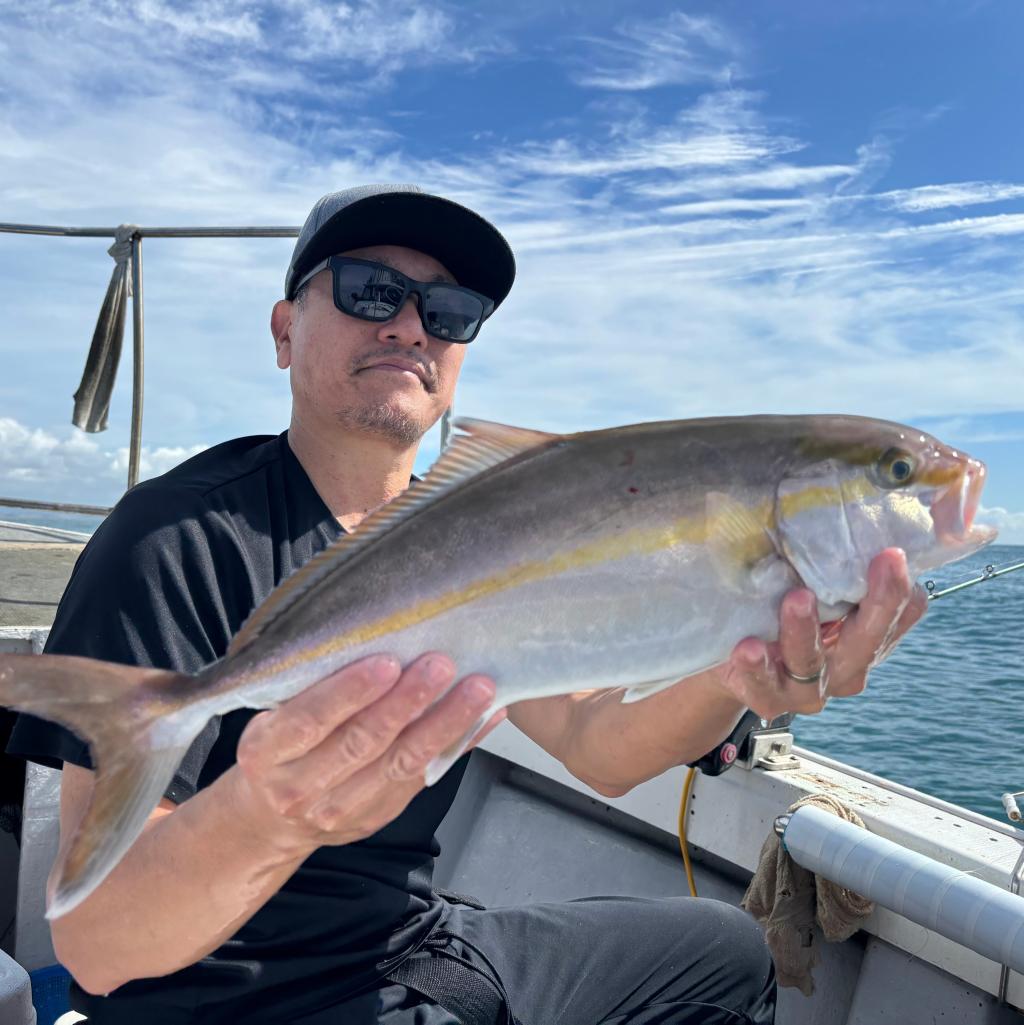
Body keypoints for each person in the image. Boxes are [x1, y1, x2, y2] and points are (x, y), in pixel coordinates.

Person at [6, 184, 925, 1025]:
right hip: (224, 999)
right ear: (285, 330)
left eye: (450, 312)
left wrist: (740, 665)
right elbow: (98, 946)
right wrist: (268, 815)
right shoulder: (174, 534)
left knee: (723, 953)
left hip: (407, 951)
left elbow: (600, 747)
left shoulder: (497, 540)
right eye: (371, 290)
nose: (410, 326)